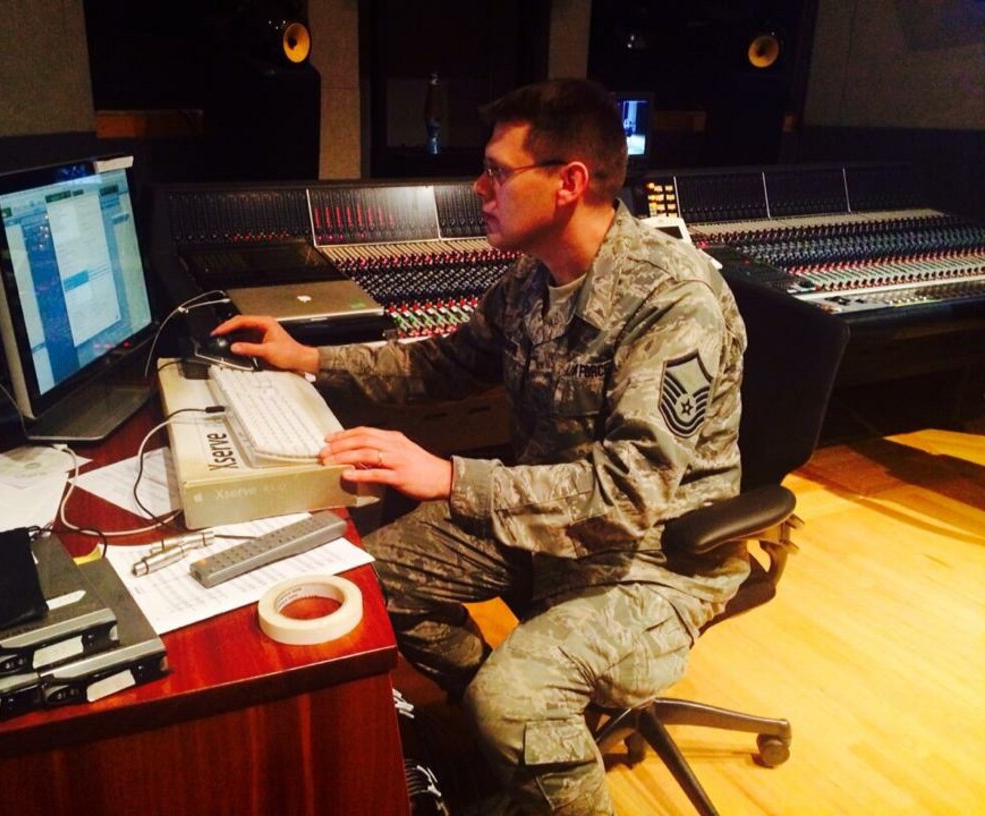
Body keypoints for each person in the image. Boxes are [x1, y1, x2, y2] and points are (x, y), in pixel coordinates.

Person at [212, 78, 749, 815]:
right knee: (375, 584)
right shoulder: (535, 277)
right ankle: (511, 740)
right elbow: (441, 363)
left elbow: (627, 498)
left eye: (498, 171)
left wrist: (450, 477)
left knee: (515, 697)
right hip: (541, 521)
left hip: (654, 561)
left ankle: (525, 733)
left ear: (568, 183)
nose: (479, 187)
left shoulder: (672, 301)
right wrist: (309, 358)